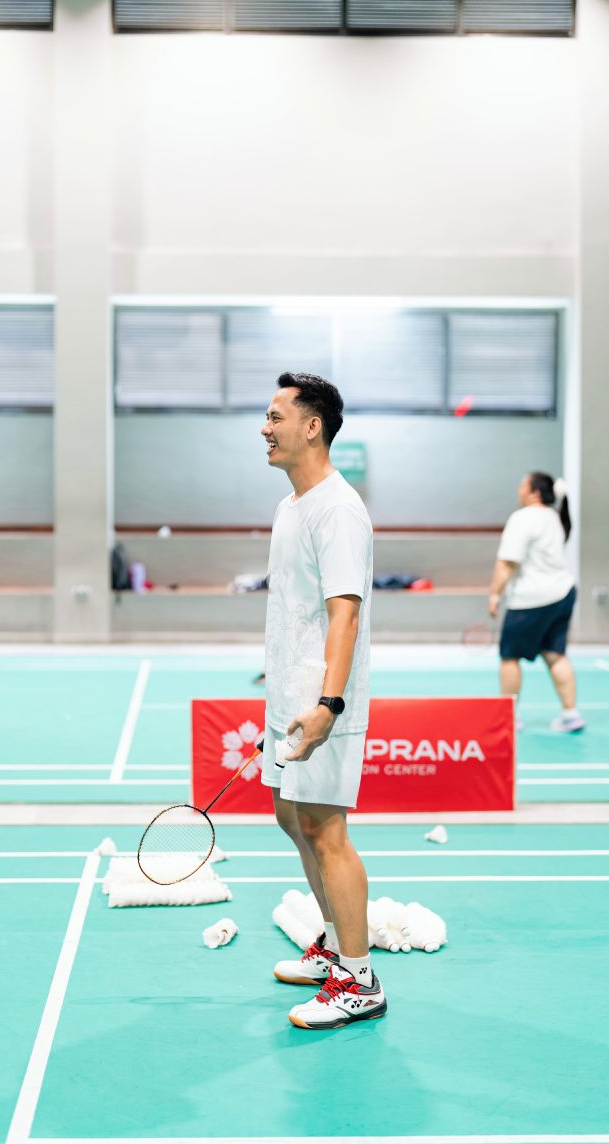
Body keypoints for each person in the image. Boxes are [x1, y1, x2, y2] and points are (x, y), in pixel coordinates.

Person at [260, 372, 386, 1030]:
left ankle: (359, 980)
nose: (265, 426)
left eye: (277, 414)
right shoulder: (292, 507)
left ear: (313, 426)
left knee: (326, 830)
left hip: (323, 701)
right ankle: (337, 945)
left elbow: (345, 614)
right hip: (291, 689)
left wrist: (328, 704)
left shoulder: (338, 508)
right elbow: (297, 606)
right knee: (291, 816)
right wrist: (277, 675)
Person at [489, 472, 584, 733]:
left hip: (532, 599)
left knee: (509, 657)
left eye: (522, 485)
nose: (518, 489)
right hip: (563, 592)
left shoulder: (523, 518)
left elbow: (507, 562)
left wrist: (495, 593)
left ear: (535, 492)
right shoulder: (554, 517)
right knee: (555, 654)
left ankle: (509, 716)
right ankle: (570, 714)